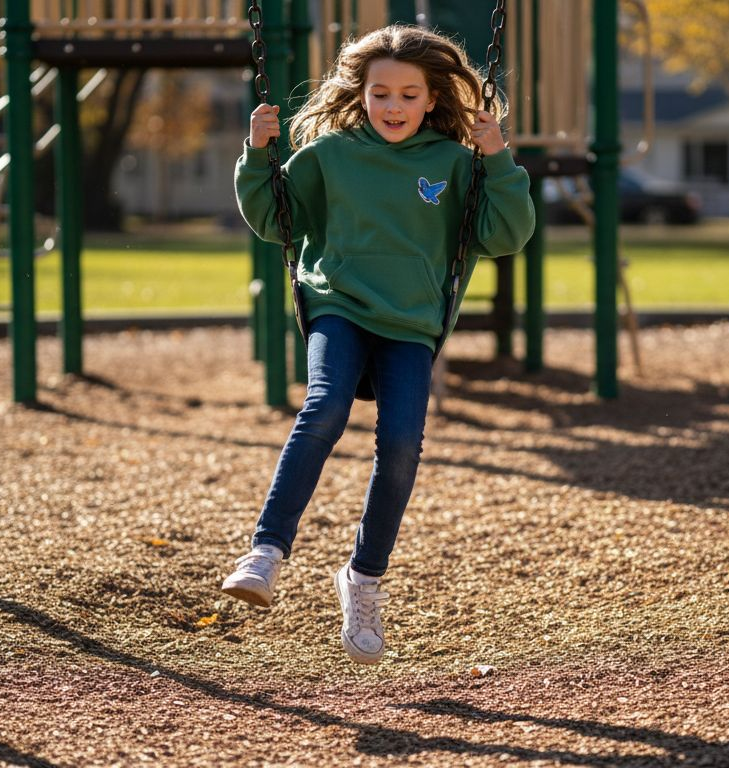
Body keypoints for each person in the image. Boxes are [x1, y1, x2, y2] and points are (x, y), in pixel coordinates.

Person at [223, 24, 535, 665]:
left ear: (430, 100)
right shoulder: (331, 155)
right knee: (325, 408)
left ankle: (362, 579)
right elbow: (276, 219)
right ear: (360, 94)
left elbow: (505, 234)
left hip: (412, 324)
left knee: (399, 444)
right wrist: (257, 155)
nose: (393, 106)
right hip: (338, 304)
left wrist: (498, 157)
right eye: (381, 93)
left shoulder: (454, 163)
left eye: (408, 95)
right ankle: (266, 551)